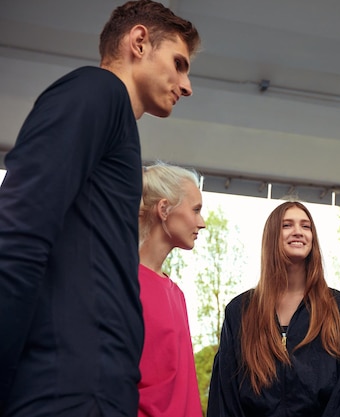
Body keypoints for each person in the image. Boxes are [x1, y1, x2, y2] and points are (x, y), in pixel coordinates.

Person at [0, 1, 200, 415]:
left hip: (98, 391)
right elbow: (18, 233)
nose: (186, 85)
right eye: (179, 64)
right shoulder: (96, 91)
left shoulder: (119, 128)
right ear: (139, 42)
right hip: (63, 389)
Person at [207, 201, 340, 417]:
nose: (298, 232)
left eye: (305, 226)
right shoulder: (240, 312)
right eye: (287, 225)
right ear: (271, 236)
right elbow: (225, 397)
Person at [137, 162, 205, 417]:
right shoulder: (122, 285)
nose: (202, 222)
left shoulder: (175, 293)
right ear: (164, 209)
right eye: (196, 210)